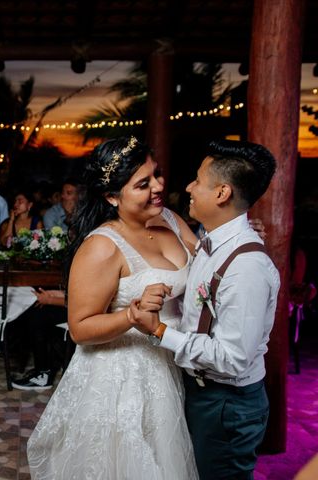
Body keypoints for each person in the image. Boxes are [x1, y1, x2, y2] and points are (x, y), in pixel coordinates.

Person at [27, 136, 198, 479]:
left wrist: (233, 240)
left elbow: (205, 262)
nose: (159, 186)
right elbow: (80, 328)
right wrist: (130, 316)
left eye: (157, 175)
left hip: (174, 360)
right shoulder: (103, 246)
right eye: (143, 184)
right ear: (111, 196)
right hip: (125, 378)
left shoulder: (169, 217)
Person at [129, 139, 279, 480]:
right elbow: (201, 309)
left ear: (223, 193)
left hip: (227, 403)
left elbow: (232, 357)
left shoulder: (247, 268)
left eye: (198, 180)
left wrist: (159, 331)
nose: (189, 187)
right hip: (202, 392)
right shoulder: (209, 241)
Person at [11, 287, 68, 390]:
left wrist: (50, 300)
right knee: (37, 309)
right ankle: (46, 367)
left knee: (38, 315)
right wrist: (58, 294)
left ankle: (43, 374)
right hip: (75, 306)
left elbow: (83, 300)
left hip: (82, 312)